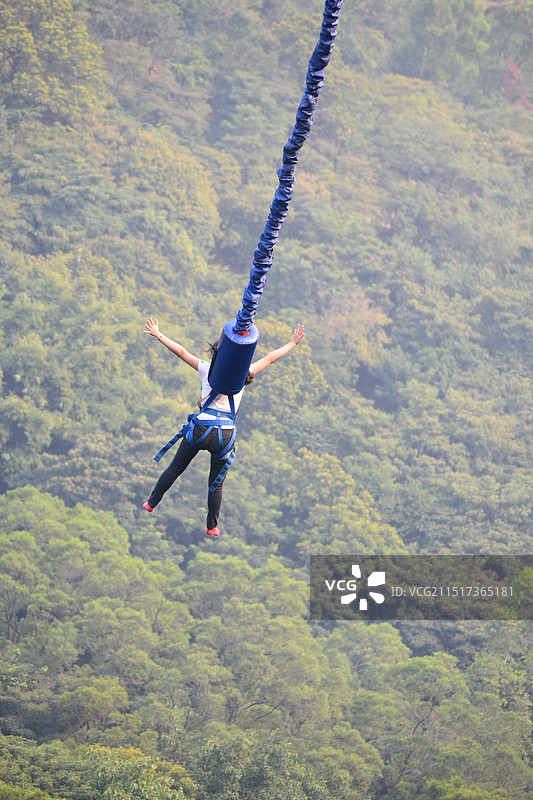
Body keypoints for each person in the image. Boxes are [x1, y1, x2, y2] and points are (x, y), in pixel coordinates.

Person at [142, 317, 305, 536]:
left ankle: (152, 503)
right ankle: (211, 527)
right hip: (225, 435)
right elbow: (270, 358)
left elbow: (181, 352)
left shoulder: (206, 369)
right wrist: (293, 343)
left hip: (200, 429)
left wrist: (159, 334)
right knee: (216, 484)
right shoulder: (244, 374)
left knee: (175, 469)